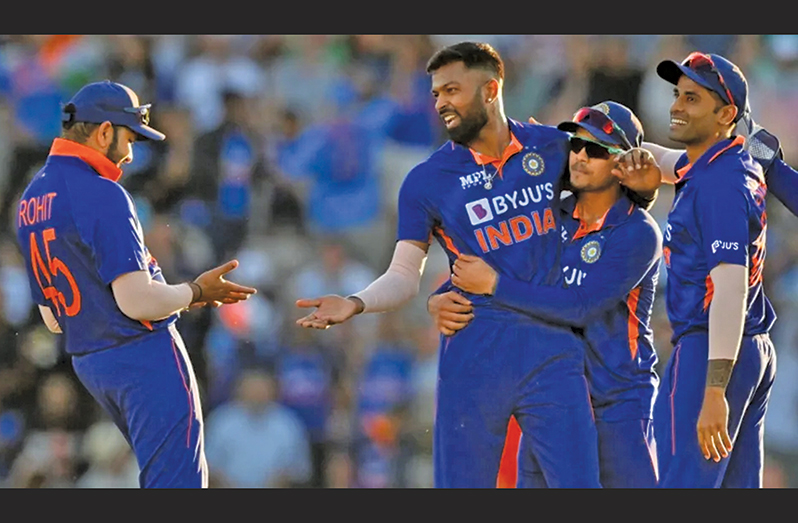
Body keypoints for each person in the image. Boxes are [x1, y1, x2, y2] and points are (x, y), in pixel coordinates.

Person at [295, 41, 603, 488]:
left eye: (453, 90)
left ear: (491, 89)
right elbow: (404, 275)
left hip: (551, 349)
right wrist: (356, 303)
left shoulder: (552, 146)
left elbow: (628, 166)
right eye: (437, 93)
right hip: (473, 352)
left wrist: (688, 165)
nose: (441, 103)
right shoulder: (426, 180)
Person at [13, 80, 258, 488]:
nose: (129, 153)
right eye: (129, 137)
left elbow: (54, 320)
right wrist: (197, 292)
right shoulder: (102, 193)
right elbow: (138, 302)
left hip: (92, 362)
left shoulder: (32, 198)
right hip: (140, 355)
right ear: (104, 132)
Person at [429, 101, 663, 488]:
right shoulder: (547, 216)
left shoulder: (637, 233)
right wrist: (440, 298)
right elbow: (491, 266)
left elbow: (581, 307)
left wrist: (494, 286)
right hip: (553, 401)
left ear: (621, 164)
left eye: (598, 150)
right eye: (576, 146)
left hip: (617, 407)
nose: (582, 157)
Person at [616, 52, 778, 488]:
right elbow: (661, 160)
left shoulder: (718, 184)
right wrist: (606, 148)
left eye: (692, 99)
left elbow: (730, 291)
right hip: (750, 350)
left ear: (726, 114)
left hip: (712, 351)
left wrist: (712, 391)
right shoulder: (722, 162)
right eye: (677, 95)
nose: (676, 106)